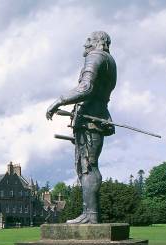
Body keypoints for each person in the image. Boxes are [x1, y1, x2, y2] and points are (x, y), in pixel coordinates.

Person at [46, 31, 116, 224]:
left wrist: (59, 101)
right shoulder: (110, 61)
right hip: (95, 119)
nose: (85, 43)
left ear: (98, 42)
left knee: (88, 167)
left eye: (89, 40)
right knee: (87, 165)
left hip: (90, 121)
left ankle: (90, 215)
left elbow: (86, 87)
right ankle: (89, 213)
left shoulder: (96, 57)